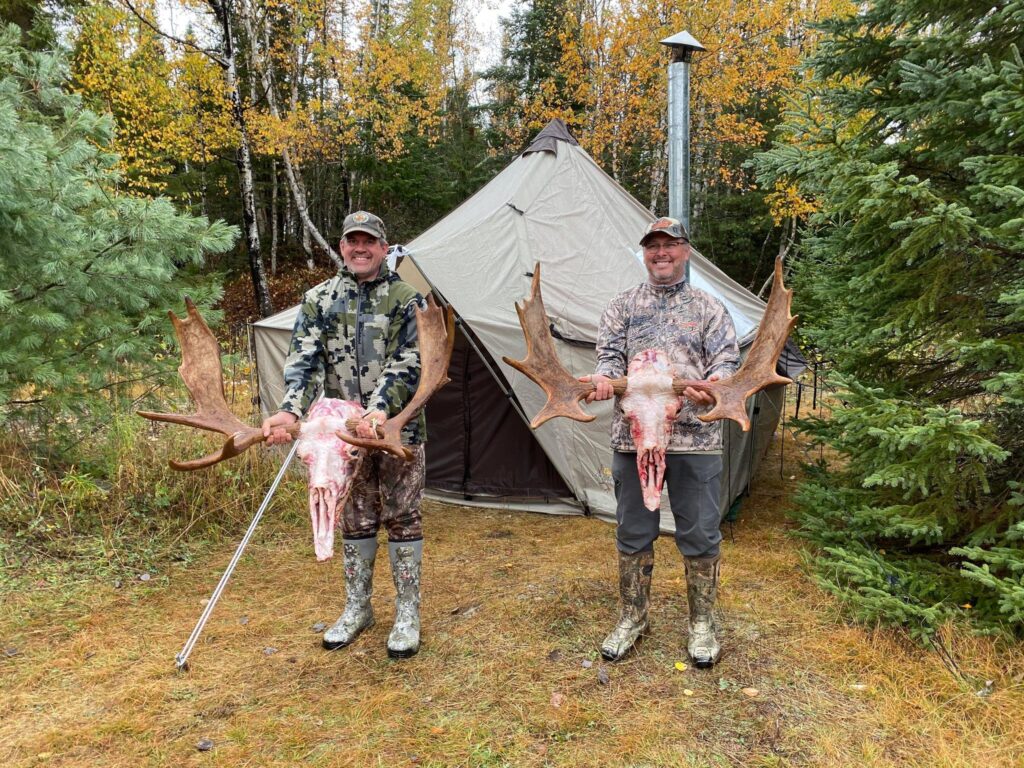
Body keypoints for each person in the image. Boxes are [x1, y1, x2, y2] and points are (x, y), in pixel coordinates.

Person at [262, 211, 426, 659]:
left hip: (396, 430)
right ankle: (358, 608)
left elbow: (410, 361)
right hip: (338, 436)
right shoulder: (319, 299)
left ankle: (407, 614)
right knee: (354, 517)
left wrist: (380, 409)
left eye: (369, 241)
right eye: (353, 241)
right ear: (342, 247)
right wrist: (290, 410)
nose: (360, 248)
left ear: (384, 247)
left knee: (403, 516)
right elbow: (304, 361)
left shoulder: (408, 299)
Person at [583, 216, 739, 668]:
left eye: (669, 245)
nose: (661, 253)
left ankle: (702, 624)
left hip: (696, 438)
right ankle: (633, 618)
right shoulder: (622, 306)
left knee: (700, 533)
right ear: (645, 253)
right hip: (633, 440)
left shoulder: (709, 307)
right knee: (633, 531)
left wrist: (713, 385)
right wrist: (604, 379)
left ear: (685, 251)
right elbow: (609, 358)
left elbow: (727, 363)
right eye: (653, 246)